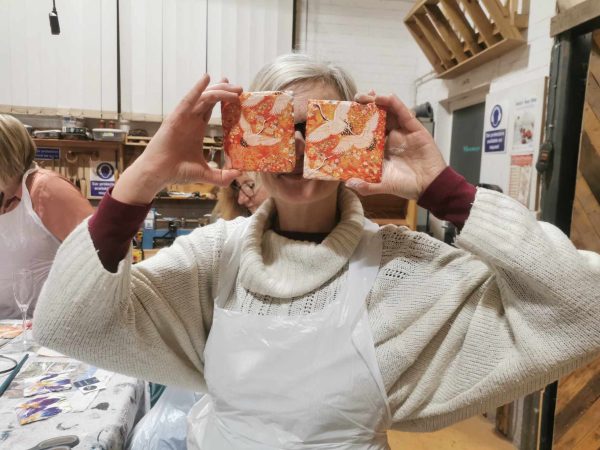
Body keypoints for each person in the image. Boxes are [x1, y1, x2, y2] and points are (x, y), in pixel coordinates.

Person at [34, 54, 600, 449]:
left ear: (360, 136)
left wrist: (445, 190)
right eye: (277, 127)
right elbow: (68, 324)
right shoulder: (214, 260)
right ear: (244, 138)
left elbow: (585, 306)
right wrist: (144, 176)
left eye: (325, 127)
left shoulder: (401, 270)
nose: (302, 148)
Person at [0, 114, 93, 319]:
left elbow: (99, 253)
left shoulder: (47, 189)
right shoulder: (4, 193)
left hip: (45, 324)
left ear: (6, 157)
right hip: (7, 326)